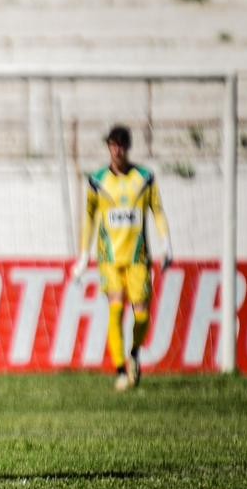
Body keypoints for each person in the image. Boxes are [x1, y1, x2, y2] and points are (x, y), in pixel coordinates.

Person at [70, 124, 173, 391]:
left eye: (121, 145)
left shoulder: (144, 178)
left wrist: (166, 243)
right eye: (113, 145)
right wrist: (83, 257)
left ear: (128, 147)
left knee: (141, 314)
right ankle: (120, 369)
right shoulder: (97, 181)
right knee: (115, 308)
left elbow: (157, 211)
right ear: (108, 147)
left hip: (138, 256)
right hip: (109, 258)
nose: (117, 150)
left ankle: (134, 353)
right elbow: (90, 219)